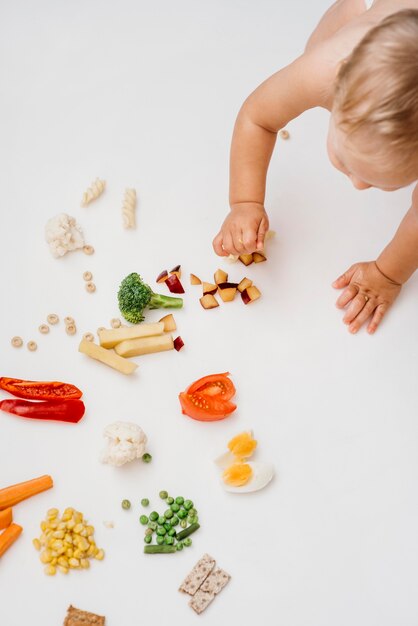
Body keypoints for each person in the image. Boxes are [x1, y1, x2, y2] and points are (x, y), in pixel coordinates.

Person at [213, 1, 418, 334]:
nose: (357, 185)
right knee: (324, 36)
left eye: (382, 183)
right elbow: (257, 117)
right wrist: (245, 202)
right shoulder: (326, 67)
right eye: (345, 162)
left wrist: (387, 274)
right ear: (337, 91)